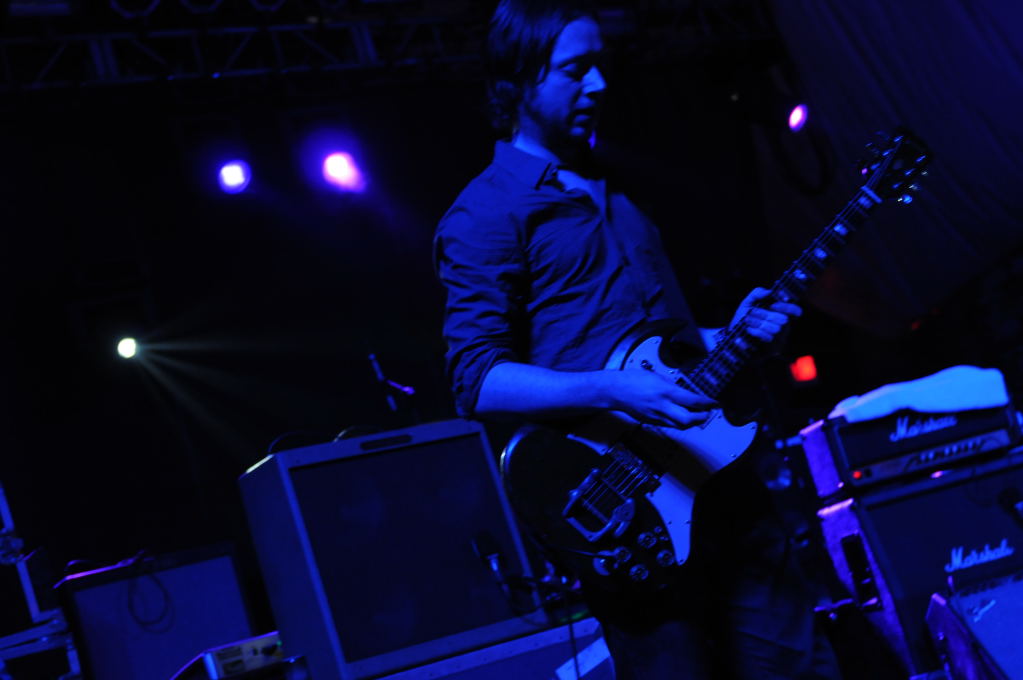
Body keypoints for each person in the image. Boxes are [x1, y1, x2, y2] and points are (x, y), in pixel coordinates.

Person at [434, 1, 841, 677]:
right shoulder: (485, 213)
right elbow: (477, 381)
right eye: (575, 70)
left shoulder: (622, 192)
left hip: (722, 480)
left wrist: (730, 334)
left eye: (602, 66)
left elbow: (667, 344)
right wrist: (612, 389)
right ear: (520, 78)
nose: (599, 85)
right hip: (628, 509)